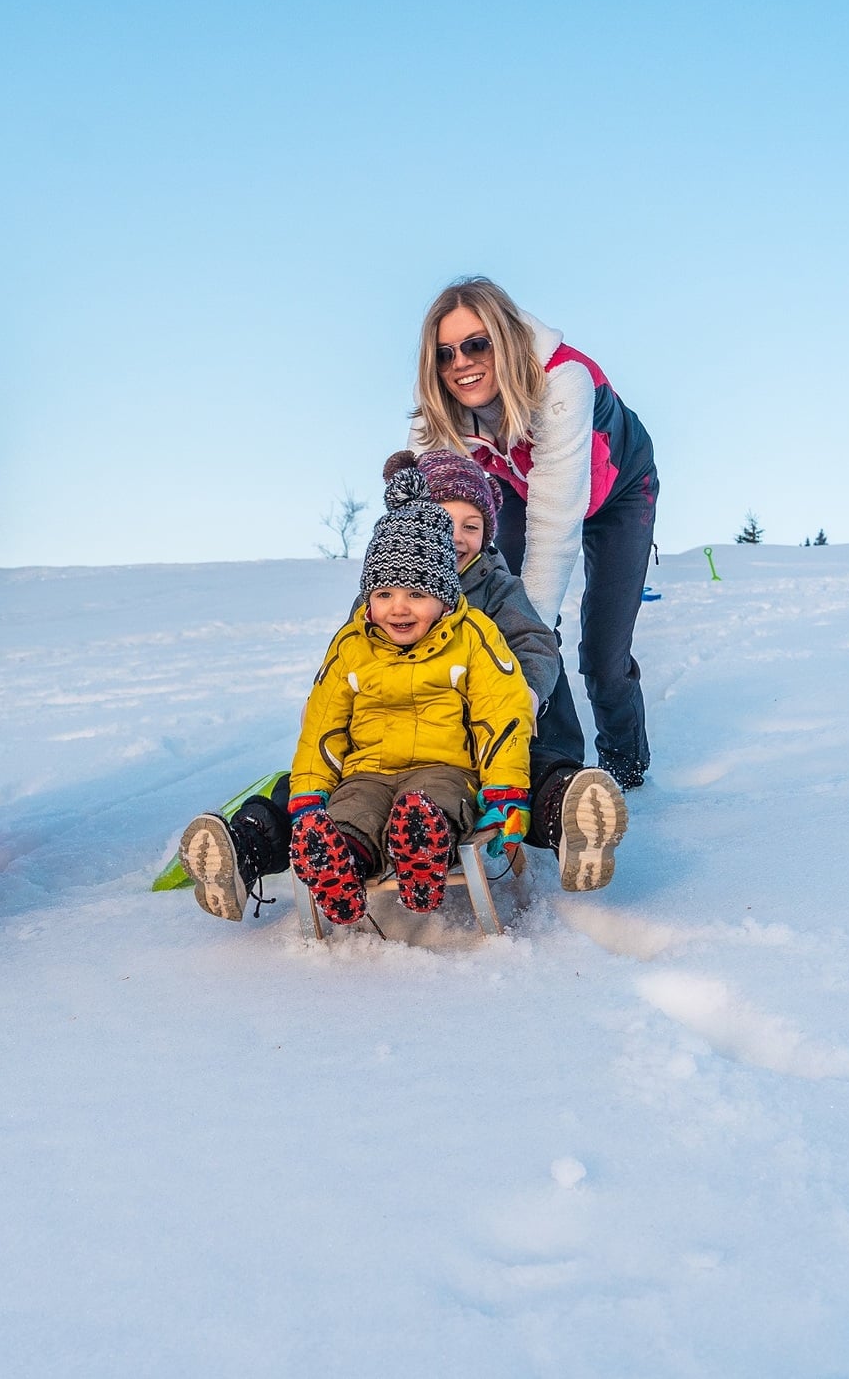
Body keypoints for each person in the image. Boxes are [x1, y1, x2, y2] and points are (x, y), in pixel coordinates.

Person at [175, 449, 629, 918]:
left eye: (470, 526)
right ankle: (250, 848)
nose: (455, 537)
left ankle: (569, 816)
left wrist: (524, 692)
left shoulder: (490, 597)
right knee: (313, 797)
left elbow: (532, 645)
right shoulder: (370, 610)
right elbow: (337, 681)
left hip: (467, 740)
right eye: (442, 520)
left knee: (522, 772)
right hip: (370, 758)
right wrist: (325, 722)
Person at [410, 276, 660, 793]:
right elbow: (417, 513)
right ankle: (553, 766)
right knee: (498, 606)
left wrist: (519, 655)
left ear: (504, 339)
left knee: (601, 654)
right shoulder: (439, 405)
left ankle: (627, 770)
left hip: (619, 493)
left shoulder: (562, 380)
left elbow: (554, 531)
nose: (461, 363)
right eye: (445, 353)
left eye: (477, 344)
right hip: (526, 491)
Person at [282, 467, 538, 925]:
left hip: (447, 768)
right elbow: (323, 726)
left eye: (416, 593)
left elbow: (503, 711)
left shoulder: (473, 636)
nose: (398, 608)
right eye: (383, 593)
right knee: (351, 812)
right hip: (367, 772)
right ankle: (341, 864)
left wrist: (504, 788)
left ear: (443, 597)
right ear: (368, 599)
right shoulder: (351, 645)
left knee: (432, 802)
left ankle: (421, 850)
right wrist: (309, 794)